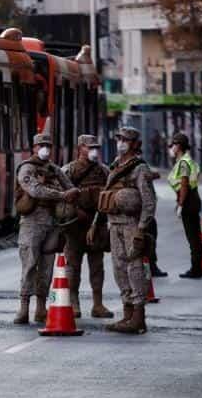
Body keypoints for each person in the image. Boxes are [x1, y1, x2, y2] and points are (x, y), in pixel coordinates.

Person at [95, 126, 156, 335]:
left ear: (135, 144)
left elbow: (149, 201)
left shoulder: (139, 168)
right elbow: (107, 194)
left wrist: (141, 229)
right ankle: (127, 314)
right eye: (119, 138)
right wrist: (97, 224)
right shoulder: (115, 165)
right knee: (119, 268)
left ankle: (138, 317)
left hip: (131, 224)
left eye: (126, 140)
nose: (121, 142)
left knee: (134, 267)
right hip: (114, 223)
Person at [14, 132, 79, 324]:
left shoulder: (55, 169)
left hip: (52, 223)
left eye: (48, 145)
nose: (45, 149)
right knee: (29, 265)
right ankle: (23, 308)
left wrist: (72, 194)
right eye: (41, 145)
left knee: (47, 267)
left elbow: (71, 188)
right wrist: (61, 195)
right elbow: (34, 190)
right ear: (33, 148)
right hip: (32, 223)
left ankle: (41, 308)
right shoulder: (26, 168)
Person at [61, 134, 113, 319]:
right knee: (73, 267)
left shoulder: (104, 171)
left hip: (97, 224)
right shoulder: (69, 170)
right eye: (89, 147)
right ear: (79, 148)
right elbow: (61, 198)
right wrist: (75, 211)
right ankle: (73, 303)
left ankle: (98, 305)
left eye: (95, 148)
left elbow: (110, 194)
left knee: (97, 266)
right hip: (76, 226)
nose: (93, 151)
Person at [168, 132, 202, 279]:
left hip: (188, 201)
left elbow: (184, 184)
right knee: (195, 236)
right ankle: (197, 268)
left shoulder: (183, 162)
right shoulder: (188, 160)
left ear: (179, 146)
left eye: (173, 145)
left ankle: (195, 269)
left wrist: (180, 204)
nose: (171, 148)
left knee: (193, 237)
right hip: (193, 199)